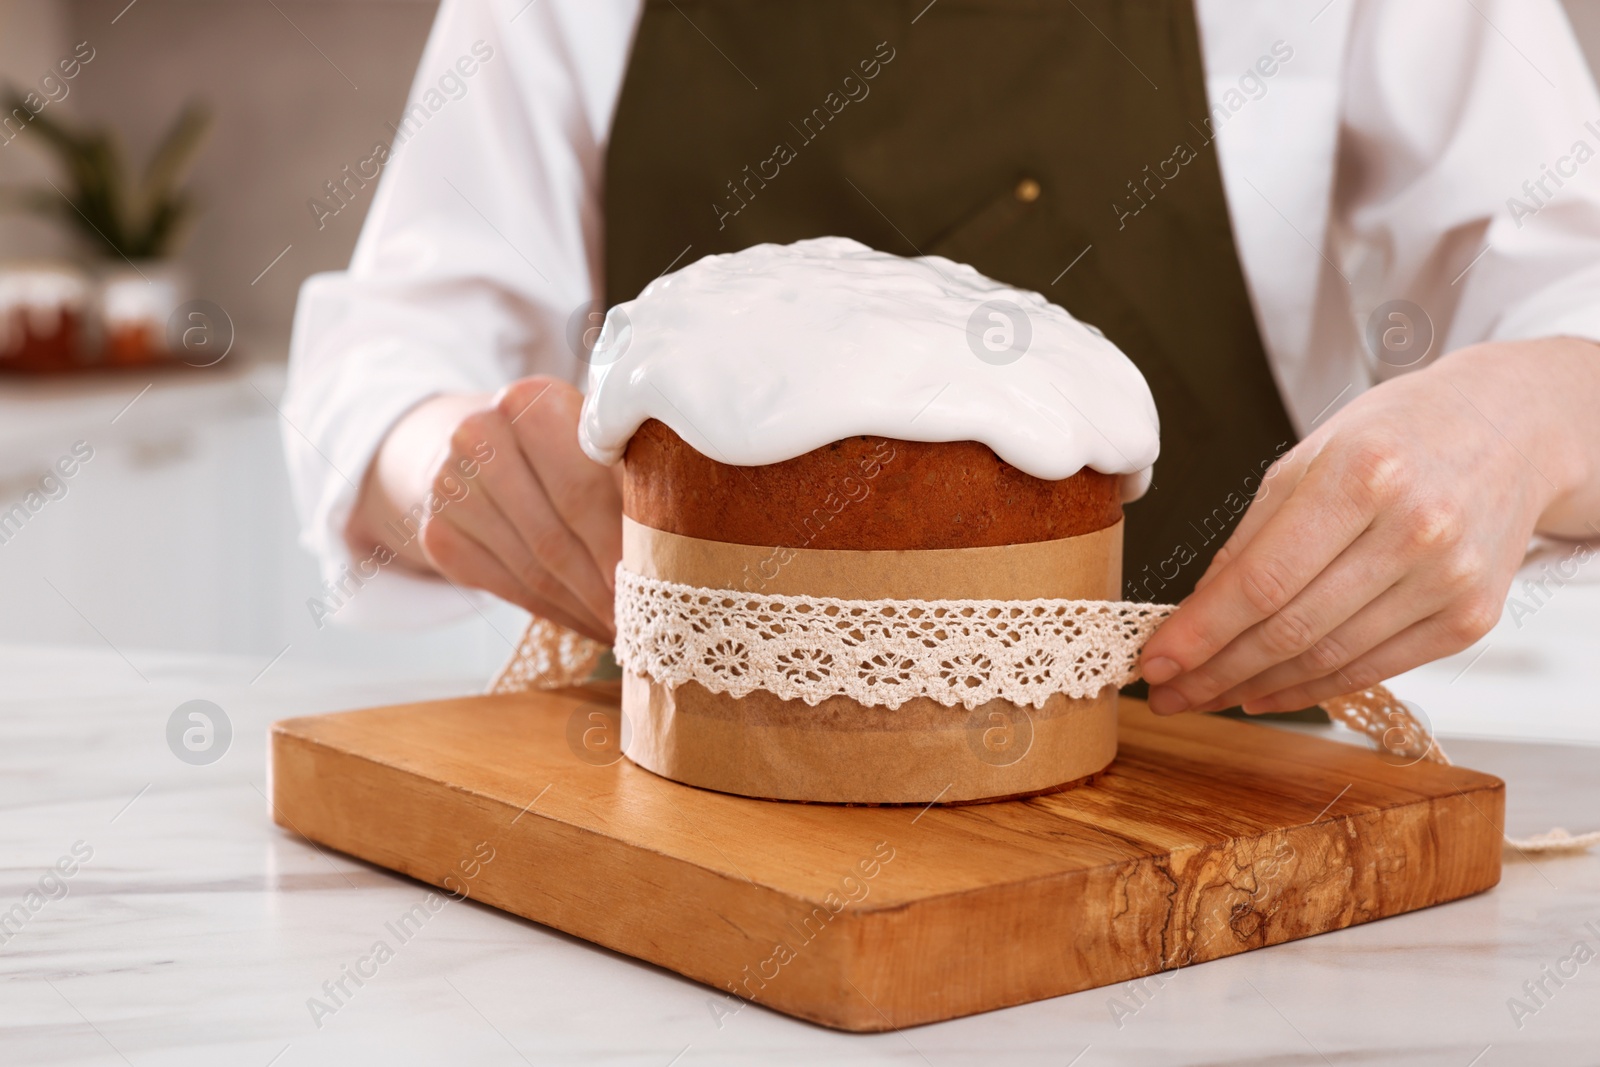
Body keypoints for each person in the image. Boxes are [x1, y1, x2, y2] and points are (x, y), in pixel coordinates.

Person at [284, 0, 1600, 717]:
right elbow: (392, 350)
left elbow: (1575, 292)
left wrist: (1524, 420)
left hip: (1208, 820)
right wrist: (444, 463)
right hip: (692, 800)